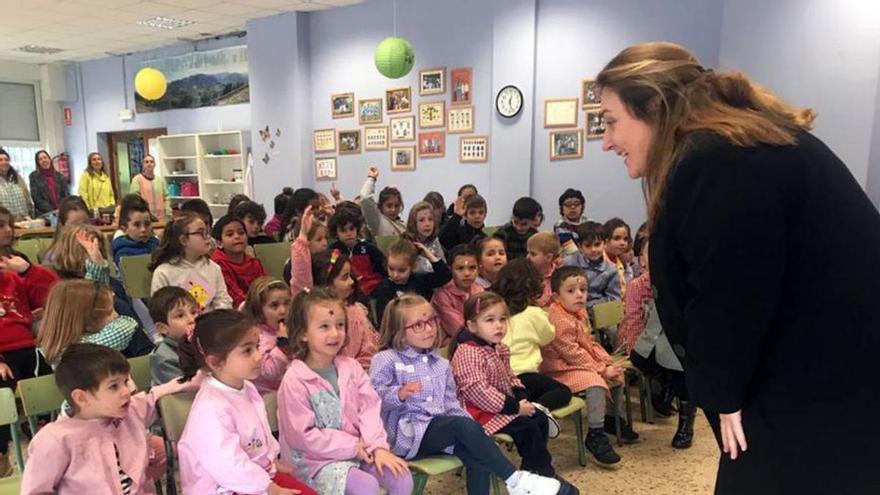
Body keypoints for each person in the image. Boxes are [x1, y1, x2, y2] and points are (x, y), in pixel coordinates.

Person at [596, 41, 880, 494]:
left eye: (611, 121)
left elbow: (732, 294)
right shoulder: (746, 142)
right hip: (828, 378)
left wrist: (724, 394)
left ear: (654, 105)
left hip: (813, 391)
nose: (606, 140)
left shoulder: (716, 159)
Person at [371, 293, 568, 495]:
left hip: (442, 432)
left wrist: (476, 434)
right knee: (461, 426)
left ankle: (515, 482)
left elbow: (452, 405)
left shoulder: (441, 364)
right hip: (408, 436)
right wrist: (399, 394)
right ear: (400, 333)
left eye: (431, 321)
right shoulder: (386, 359)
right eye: (418, 325)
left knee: (478, 454)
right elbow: (373, 399)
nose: (429, 329)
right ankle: (516, 480)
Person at [277, 288, 413, 495]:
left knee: (400, 475)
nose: (335, 333)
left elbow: (369, 408)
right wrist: (351, 447)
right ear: (303, 333)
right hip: (313, 462)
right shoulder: (295, 379)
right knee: (366, 486)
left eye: (340, 325)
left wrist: (378, 448)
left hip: (359, 451)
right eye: (324, 326)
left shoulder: (351, 368)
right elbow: (302, 437)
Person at [21, 343, 195, 494]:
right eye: (114, 386)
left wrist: (197, 379)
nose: (126, 391)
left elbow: (157, 394)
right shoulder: (54, 439)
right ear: (81, 398)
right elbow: (35, 491)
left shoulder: (130, 410)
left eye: (126, 382)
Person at [175, 310, 315, 495]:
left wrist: (271, 460)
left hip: (256, 478)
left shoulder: (246, 387)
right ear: (216, 362)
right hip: (224, 487)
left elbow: (260, 432)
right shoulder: (210, 409)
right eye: (247, 350)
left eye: (257, 346)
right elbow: (229, 465)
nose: (259, 356)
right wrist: (269, 487)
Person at [450, 292, 573, 491]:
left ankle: (533, 471)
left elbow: (511, 376)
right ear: (472, 326)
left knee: (539, 418)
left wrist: (521, 396)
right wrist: (514, 407)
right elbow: (478, 392)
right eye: (489, 320)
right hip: (478, 413)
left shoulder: (499, 348)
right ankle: (543, 473)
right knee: (526, 427)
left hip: (501, 406)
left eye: (502, 319)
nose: (498, 325)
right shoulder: (467, 352)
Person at [543, 266, 636, 457]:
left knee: (617, 371)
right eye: (571, 291)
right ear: (556, 297)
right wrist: (602, 370)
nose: (579, 295)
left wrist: (606, 361)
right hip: (559, 369)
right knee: (594, 383)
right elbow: (573, 353)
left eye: (583, 290)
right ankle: (595, 433)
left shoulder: (579, 312)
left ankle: (611, 417)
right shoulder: (559, 320)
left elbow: (588, 342)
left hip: (576, 363)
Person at [290, 206, 378, 370]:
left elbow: (369, 351)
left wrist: (355, 376)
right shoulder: (311, 307)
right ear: (326, 282)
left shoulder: (356, 312)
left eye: (350, 276)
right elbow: (301, 278)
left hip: (355, 378)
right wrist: (302, 238)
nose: (352, 282)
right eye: (345, 278)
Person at [0, 253, 57, 475]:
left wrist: (27, 270)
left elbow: (54, 293)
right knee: (1, 389)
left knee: (52, 374)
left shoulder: (14, 279)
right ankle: (2, 453)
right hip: (2, 355)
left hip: (28, 347)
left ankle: (47, 430)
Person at [492, 259, 572, 411]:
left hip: (500, 378)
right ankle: (535, 410)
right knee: (562, 392)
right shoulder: (533, 313)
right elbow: (548, 337)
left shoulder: (495, 312)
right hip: (524, 375)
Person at [150, 213, 232, 311]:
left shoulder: (213, 268)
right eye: (200, 233)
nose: (207, 237)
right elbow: (159, 310)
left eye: (207, 232)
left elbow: (223, 300)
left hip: (211, 323)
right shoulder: (163, 272)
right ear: (183, 240)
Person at [372, 238, 452, 325]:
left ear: (413, 267)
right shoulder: (384, 288)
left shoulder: (420, 281)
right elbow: (383, 321)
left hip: (426, 327)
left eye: (401, 270)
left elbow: (446, 276)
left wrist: (430, 256)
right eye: (391, 269)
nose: (395, 275)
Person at [242, 277, 293, 392]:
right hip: (265, 395)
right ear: (258, 310)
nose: (283, 310)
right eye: (274, 305)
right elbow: (270, 372)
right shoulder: (257, 337)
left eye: (287, 303)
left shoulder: (287, 329)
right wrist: (283, 345)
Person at [210, 214, 268, 308]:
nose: (237, 237)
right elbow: (233, 295)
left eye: (241, 233)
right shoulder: (217, 264)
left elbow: (266, 285)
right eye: (230, 234)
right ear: (219, 243)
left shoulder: (254, 262)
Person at [431, 244, 483, 345]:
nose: (467, 273)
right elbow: (458, 330)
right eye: (460, 268)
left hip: (476, 341)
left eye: (472, 268)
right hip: (445, 347)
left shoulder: (480, 291)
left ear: (479, 269)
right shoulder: (442, 296)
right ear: (450, 270)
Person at [328, 205, 385, 297]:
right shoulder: (334, 250)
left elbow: (383, 268)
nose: (348, 233)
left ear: (357, 229)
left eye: (351, 229)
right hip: (345, 291)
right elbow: (329, 271)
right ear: (336, 232)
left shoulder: (368, 248)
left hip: (371, 290)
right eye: (343, 230)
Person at [148, 286, 198, 386]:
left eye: (193, 312)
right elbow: (186, 392)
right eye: (180, 316)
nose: (192, 319)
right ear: (162, 328)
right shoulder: (164, 359)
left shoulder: (202, 342)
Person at [111, 197, 160, 267]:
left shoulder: (157, 245)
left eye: (147, 224)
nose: (143, 229)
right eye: (137, 225)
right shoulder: (122, 253)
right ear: (125, 229)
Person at [360, 167, 406, 236]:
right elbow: (365, 197)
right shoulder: (378, 221)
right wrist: (372, 178)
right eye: (389, 206)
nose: (393, 210)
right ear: (381, 206)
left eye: (396, 206)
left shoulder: (403, 226)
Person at [405, 200, 445, 274]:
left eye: (430, 219)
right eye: (421, 220)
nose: (427, 224)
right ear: (413, 223)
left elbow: (444, 267)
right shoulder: (407, 243)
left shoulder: (434, 240)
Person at [129, 154, 170, 222]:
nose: (149, 164)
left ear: (155, 164)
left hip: (161, 218)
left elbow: (166, 197)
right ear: (143, 164)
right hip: (145, 218)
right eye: (146, 162)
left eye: (151, 162)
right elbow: (134, 199)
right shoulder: (137, 180)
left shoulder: (160, 180)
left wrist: (168, 212)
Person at [29, 149, 70, 218]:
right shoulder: (34, 177)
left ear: (49, 159)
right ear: (38, 162)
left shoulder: (59, 176)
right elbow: (36, 197)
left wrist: (62, 208)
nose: (43, 160)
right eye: (40, 159)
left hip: (61, 212)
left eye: (45, 157)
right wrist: (53, 211)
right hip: (44, 214)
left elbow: (66, 194)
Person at [525, 232, 561, 307]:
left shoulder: (560, 275)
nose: (527, 257)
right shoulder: (525, 274)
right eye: (527, 252)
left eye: (533, 254)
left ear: (549, 257)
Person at [553, 189, 589, 256]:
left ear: (582, 207)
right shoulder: (560, 225)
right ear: (562, 209)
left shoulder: (589, 222)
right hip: (570, 262)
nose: (572, 207)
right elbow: (572, 252)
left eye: (576, 204)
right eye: (568, 204)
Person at [0, 148, 33, 220]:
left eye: (6, 160)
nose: (4, 162)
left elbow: (27, 198)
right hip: (4, 224)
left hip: (24, 222)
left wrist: (31, 215)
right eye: (0, 160)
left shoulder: (18, 178)